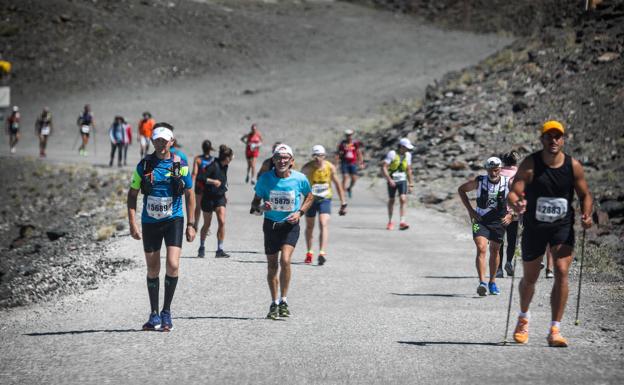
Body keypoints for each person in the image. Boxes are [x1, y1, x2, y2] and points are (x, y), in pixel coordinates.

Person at [508, 120, 593, 347]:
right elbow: (513, 191)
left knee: (562, 271)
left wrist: (587, 215)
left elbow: (585, 195)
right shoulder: (530, 164)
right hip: (535, 228)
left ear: (563, 139)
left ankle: (555, 329)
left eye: (558, 136)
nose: (554, 140)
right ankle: (523, 318)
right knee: (530, 278)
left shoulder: (572, 166)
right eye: (549, 136)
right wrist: (517, 204)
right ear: (542, 139)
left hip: (561, 227)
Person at [127, 124, 196, 332]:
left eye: (164, 140)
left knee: (173, 265)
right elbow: (131, 195)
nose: (160, 143)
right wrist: (132, 223)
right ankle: (154, 314)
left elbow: (190, 194)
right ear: (152, 141)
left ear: (171, 142)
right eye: (157, 140)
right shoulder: (144, 165)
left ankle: (166, 313)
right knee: (153, 268)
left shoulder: (180, 165)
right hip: (150, 222)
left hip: (173, 219)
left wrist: (191, 224)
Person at [250, 144, 313, 320]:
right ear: (273, 160)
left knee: (285, 260)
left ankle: (284, 299)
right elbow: (254, 205)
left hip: (290, 225)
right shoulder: (265, 179)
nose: (282, 161)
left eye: (285, 158)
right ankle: (274, 302)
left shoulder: (300, 179)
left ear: (291, 161)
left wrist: (300, 212)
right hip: (271, 225)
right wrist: (262, 206)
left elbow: (309, 196)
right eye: (278, 157)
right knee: (272, 265)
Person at [458, 157, 512, 296]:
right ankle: (482, 283)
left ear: (500, 169)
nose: (493, 173)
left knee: (495, 250)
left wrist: (511, 214)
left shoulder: (508, 182)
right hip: (480, 220)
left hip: (498, 221)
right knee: (481, 248)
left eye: (496, 170)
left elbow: (520, 197)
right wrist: (471, 211)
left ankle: (492, 282)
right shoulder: (480, 181)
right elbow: (461, 190)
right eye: (490, 170)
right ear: (486, 169)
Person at [300, 145, 347, 265]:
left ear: (324, 156)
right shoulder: (307, 168)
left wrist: (343, 202)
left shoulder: (329, 167)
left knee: (323, 223)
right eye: (315, 156)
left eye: (320, 156)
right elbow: (298, 182)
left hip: (325, 199)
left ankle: (322, 252)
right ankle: (309, 252)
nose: (317, 159)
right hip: (310, 199)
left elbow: (337, 184)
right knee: (310, 226)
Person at [199, 145, 234, 258]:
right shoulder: (213, 165)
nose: (233, 158)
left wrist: (225, 192)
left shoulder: (226, 166)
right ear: (227, 158)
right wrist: (213, 181)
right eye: (231, 156)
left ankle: (220, 249)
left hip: (220, 197)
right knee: (207, 224)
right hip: (208, 198)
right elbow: (201, 177)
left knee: (222, 222)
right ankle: (202, 246)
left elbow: (224, 180)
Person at [381, 138, 415, 231]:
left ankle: (402, 222)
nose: (408, 150)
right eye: (406, 148)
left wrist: (411, 183)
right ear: (401, 147)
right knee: (392, 200)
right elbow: (384, 167)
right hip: (392, 180)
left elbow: (408, 169)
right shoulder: (392, 154)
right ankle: (390, 221)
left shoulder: (408, 155)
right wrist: (389, 179)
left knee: (403, 199)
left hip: (402, 180)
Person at [497, 150, 521, 277]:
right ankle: (509, 262)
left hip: (498, 213)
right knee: (512, 240)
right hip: (513, 213)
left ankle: (499, 269)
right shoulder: (519, 175)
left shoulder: (497, 173)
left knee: (498, 241)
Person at [192, 140, 215, 249]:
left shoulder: (198, 159)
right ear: (210, 149)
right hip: (209, 186)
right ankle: (206, 227)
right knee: (208, 207)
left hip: (199, 185)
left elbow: (194, 173)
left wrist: (190, 185)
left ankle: (196, 225)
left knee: (198, 206)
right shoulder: (213, 160)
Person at [335, 129, 364, 198]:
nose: (349, 137)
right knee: (345, 177)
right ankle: (342, 193)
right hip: (344, 162)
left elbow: (359, 153)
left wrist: (361, 163)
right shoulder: (342, 144)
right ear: (346, 136)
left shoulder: (355, 143)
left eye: (350, 135)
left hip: (353, 163)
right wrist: (336, 164)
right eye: (347, 135)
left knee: (354, 178)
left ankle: (349, 188)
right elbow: (338, 154)